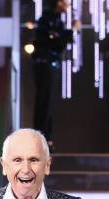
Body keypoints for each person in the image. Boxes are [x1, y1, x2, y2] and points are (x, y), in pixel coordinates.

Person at [32, 0, 81, 151]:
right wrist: (71, 30)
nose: (68, 4)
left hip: (51, 65)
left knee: (48, 103)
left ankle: (46, 138)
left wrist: (69, 33)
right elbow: (54, 42)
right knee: (44, 102)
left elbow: (60, 44)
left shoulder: (56, 20)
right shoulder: (46, 19)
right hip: (44, 64)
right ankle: (41, 139)